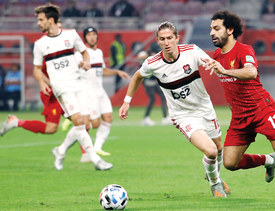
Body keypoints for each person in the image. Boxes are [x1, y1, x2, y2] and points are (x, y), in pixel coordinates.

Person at [203, 10, 275, 203]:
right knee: (230, 163)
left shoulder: (244, 50)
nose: (211, 33)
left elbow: (250, 72)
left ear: (230, 30)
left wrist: (225, 70)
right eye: (211, 29)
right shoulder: (217, 55)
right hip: (240, 117)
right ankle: (268, 160)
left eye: (216, 28)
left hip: (261, 109)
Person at [119, 21, 230, 198]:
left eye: (170, 38)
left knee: (218, 148)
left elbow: (207, 60)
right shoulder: (153, 63)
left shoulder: (191, 51)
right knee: (210, 151)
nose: (166, 42)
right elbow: (137, 76)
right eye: (162, 39)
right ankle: (215, 183)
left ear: (177, 38)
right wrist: (127, 101)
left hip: (204, 107)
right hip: (182, 115)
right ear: (157, 41)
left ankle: (212, 174)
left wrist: (212, 64)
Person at [31, 3, 112, 171]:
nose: (38, 23)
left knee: (84, 125)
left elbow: (84, 52)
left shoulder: (71, 35)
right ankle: (96, 160)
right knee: (78, 121)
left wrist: (87, 61)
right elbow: (37, 69)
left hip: (79, 84)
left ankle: (60, 151)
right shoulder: (40, 44)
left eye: (41, 20)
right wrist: (42, 82)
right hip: (61, 88)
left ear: (51, 20)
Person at [79, 26, 130, 156]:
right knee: (94, 124)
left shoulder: (99, 52)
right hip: (89, 92)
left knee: (108, 118)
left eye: (94, 34)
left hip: (100, 91)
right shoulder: (82, 53)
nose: (92, 37)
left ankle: (97, 148)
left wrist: (116, 72)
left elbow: (102, 70)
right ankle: (76, 124)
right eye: (89, 35)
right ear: (85, 38)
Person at [1, 61, 63, 136]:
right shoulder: (47, 54)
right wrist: (51, 85)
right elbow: (38, 70)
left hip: (67, 91)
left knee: (79, 121)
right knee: (51, 128)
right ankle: (16, 122)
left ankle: (62, 147)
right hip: (54, 94)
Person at [137, 49, 171, 126]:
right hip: (148, 82)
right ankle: (146, 118)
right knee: (152, 99)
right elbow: (141, 56)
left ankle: (165, 117)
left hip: (154, 82)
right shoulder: (147, 60)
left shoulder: (155, 59)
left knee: (163, 96)